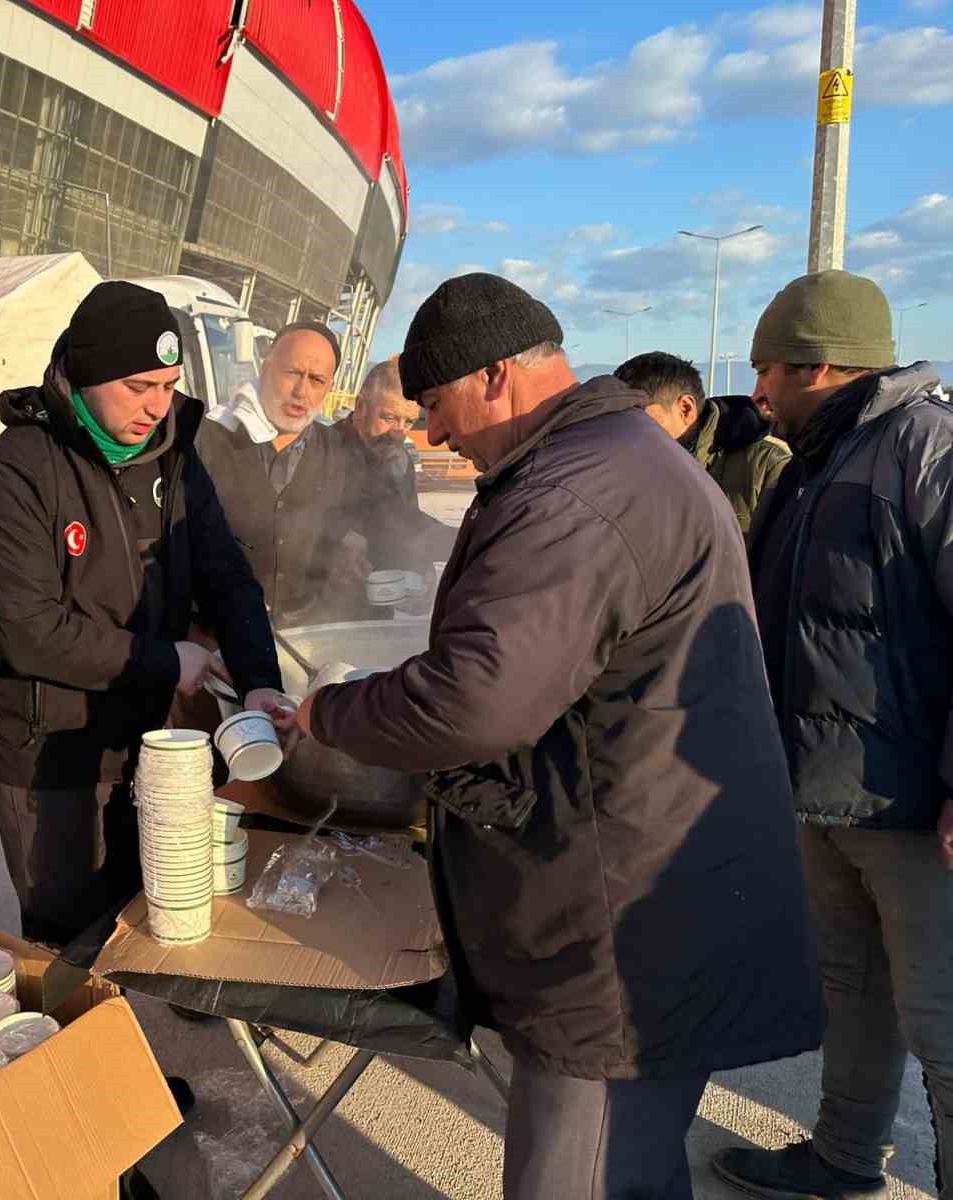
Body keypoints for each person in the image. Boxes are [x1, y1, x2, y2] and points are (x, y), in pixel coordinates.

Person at [293, 273, 822, 1199]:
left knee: (576, 1176)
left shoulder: (579, 490)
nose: (433, 432)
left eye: (437, 402)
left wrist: (328, 711)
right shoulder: (607, 458)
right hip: (649, 880)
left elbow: (476, 701)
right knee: (630, 1168)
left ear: (496, 375)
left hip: (622, 919)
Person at [712, 271, 953, 1200]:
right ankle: (846, 1158)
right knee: (852, 987)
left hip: (914, 802)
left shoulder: (924, 449)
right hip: (824, 788)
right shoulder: (821, 458)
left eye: (769, 368)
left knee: (942, 1019)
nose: (758, 390)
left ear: (818, 364)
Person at [0, 281, 289, 949]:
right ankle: (78, 1047)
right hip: (51, 754)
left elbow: (226, 574)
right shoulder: (14, 472)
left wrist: (260, 679)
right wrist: (168, 659)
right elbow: (31, 632)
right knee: (70, 942)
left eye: (168, 386)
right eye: (140, 386)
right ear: (85, 372)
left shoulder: (174, 457)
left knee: (156, 912)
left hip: (151, 740)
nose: (157, 406)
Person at [195, 322, 373, 625]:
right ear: (265, 369)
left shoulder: (341, 453)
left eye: (316, 380)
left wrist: (355, 555)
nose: (301, 391)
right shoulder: (207, 439)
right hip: (214, 640)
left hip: (303, 636)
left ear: (329, 388)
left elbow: (365, 525)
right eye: (292, 373)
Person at [614, 350, 790, 531]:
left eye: (639, 420)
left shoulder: (768, 466)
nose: (631, 432)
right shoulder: (622, 469)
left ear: (685, 409)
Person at [332, 357, 458, 582]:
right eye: (389, 418)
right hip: (323, 607)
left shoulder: (400, 459)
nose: (398, 434)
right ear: (361, 407)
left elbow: (407, 522)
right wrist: (338, 542)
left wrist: (421, 572)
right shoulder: (322, 450)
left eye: (408, 422)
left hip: (382, 596)